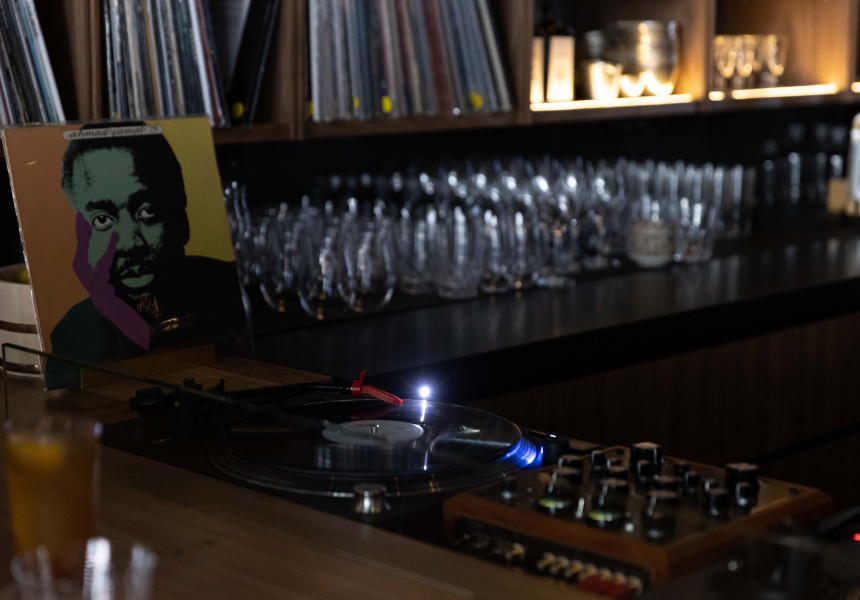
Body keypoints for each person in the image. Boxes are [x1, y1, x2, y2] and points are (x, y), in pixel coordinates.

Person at [46, 123, 249, 388]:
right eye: (102, 220)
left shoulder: (232, 295)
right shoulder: (74, 334)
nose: (130, 244)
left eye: (147, 211)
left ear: (181, 220)